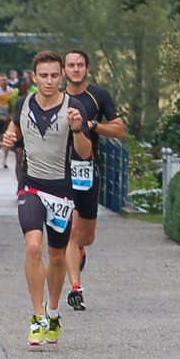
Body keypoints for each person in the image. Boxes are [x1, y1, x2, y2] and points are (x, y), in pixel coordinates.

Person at [0, 53, 92, 347]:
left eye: (54, 76)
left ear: (61, 76)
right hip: (31, 185)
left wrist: (77, 128)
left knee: (55, 256)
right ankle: (37, 315)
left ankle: (53, 311)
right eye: (44, 76)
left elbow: (85, 152)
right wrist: (9, 136)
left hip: (62, 190)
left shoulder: (73, 107)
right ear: (34, 77)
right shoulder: (23, 103)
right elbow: (15, 125)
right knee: (33, 247)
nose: (49, 81)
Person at [61, 48, 125, 310]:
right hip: (60, 172)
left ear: (87, 69)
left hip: (88, 170)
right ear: (64, 70)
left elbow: (119, 130)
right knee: (71, 232)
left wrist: (94, 126)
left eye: (80, 65)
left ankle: (80, 250)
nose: (76, 69)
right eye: (71, 65)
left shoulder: (98, 96)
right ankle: (76, 288)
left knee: (85, 235)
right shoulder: (56, 98)